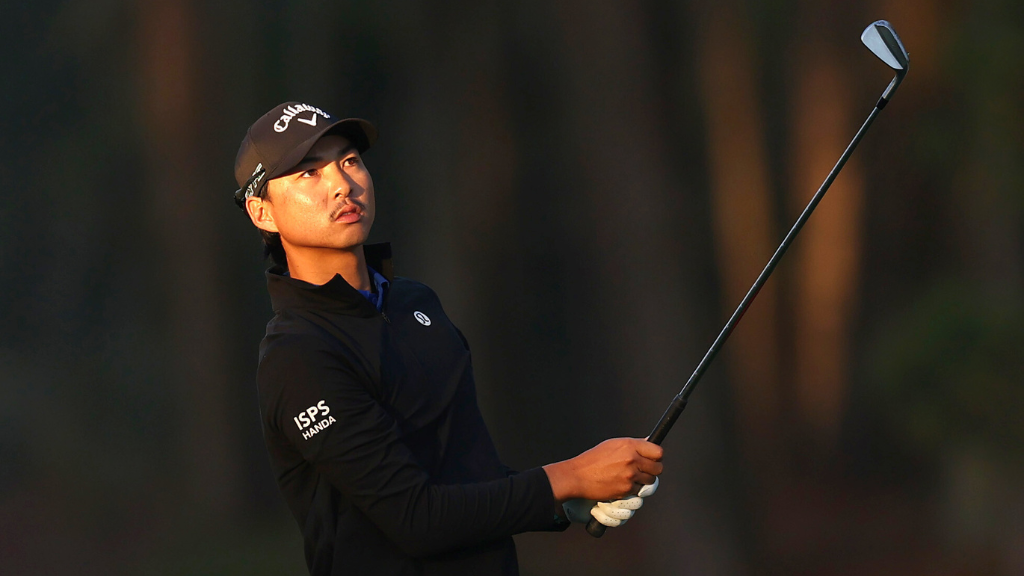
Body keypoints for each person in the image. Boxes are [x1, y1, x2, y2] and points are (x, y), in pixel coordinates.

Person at [233, 101, 664, 576]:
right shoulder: (298, 355)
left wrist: (566, 502)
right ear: (262, 213)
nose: (342, 184)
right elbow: (415, 518)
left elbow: (463, 477)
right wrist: (567, 478)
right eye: (308, 174)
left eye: (349, 161)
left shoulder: (414, 303)